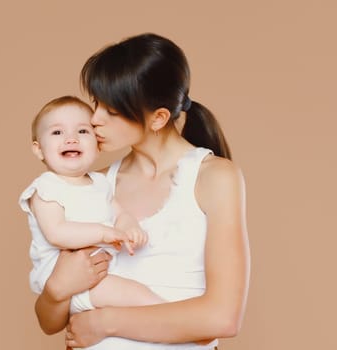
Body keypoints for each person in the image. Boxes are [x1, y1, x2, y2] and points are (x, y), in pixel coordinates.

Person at [33, 33, 251, 349]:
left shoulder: (214, 177)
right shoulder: (97, 184)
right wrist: (55, 289)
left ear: (158, 117)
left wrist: (103, 322)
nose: (94, 120)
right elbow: (49, 322)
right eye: (95, 104)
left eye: (112, 110)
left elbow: (222, 318)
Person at [19, 95, 165, 315]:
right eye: (57, 132)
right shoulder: (45, 188)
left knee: (138, 294)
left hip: (100, 273)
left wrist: (130, 227)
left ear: (98, 147)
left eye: (82, 131)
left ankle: (177, 322)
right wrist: (104, 234)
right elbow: (57, 233)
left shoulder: (100, 182)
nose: (71, 139)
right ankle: (182, 320)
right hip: (67, 281)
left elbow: (120, 214)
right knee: (139, 296)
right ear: (39, 149)